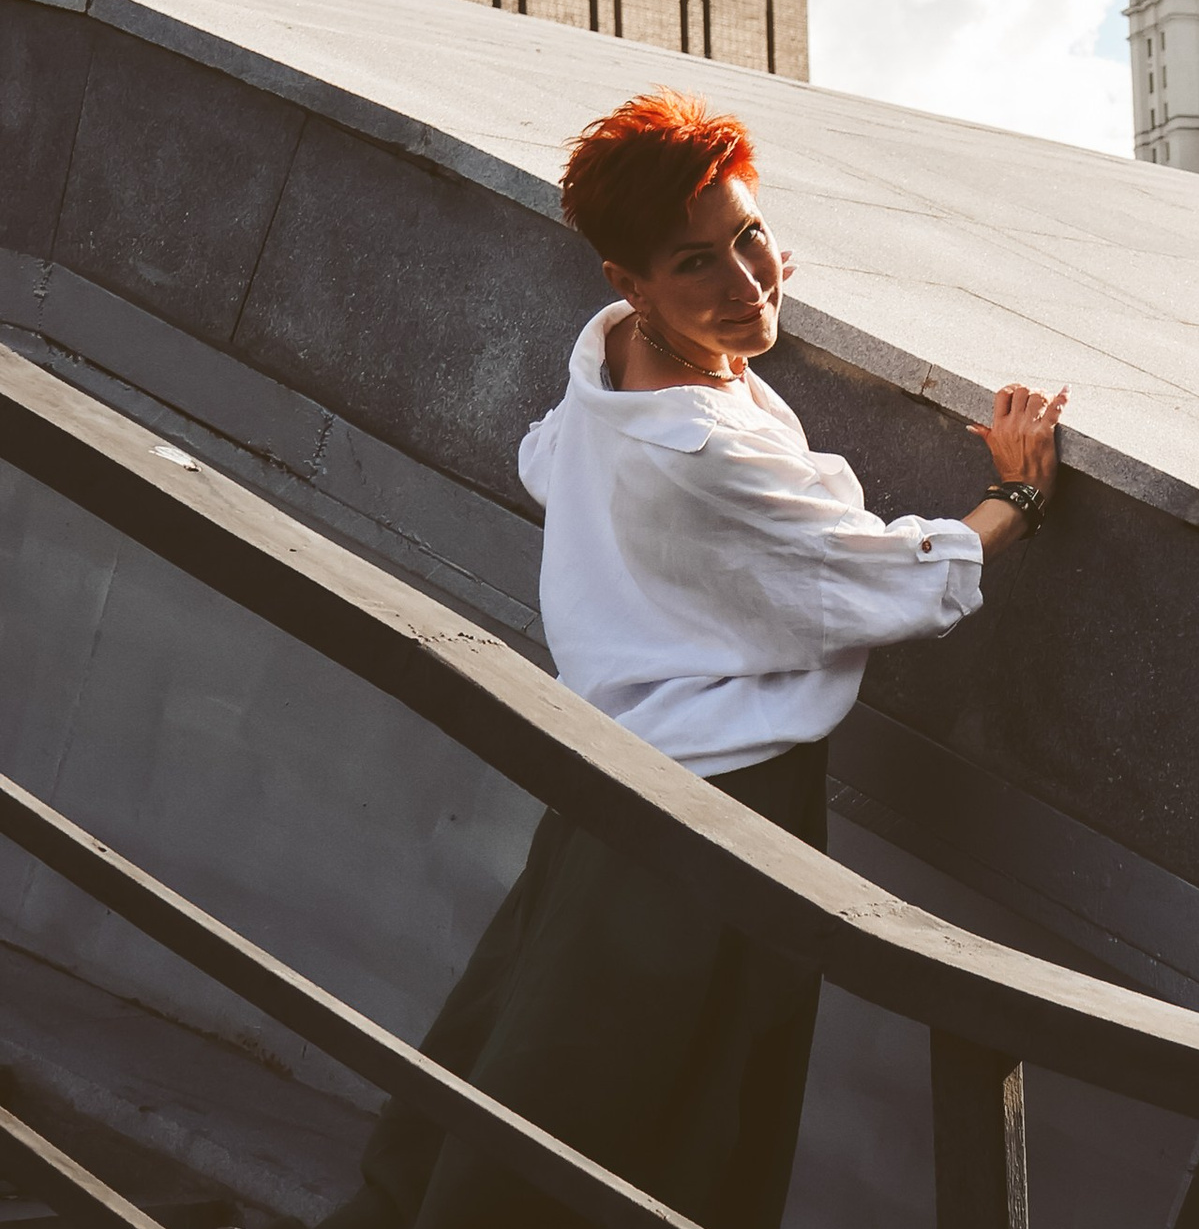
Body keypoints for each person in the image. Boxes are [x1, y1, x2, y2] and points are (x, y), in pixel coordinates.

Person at [324, 87, 1063, 1229]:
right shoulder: (695, 444)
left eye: (751, 235)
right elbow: (891, 578)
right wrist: (1011, 491)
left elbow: (543, 456)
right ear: (629, 280)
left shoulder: (611, 357)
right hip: (717, 811)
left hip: (612, 787)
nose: (748, 281)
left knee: (517, 1073)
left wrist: (660, 557)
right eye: (696, 264)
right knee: (651, 1124)